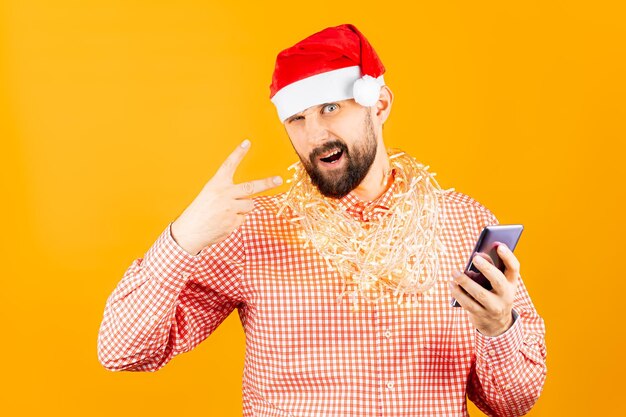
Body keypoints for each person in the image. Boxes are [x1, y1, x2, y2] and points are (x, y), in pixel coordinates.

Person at [97, 23, 547, 417]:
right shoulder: (255, 230)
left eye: (331, 108)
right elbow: (122, 351)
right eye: (297, 118)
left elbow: (513, 404)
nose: (315, 136)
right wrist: (183, 237)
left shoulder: (464, 223)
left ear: (380, 104)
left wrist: (497, 327)